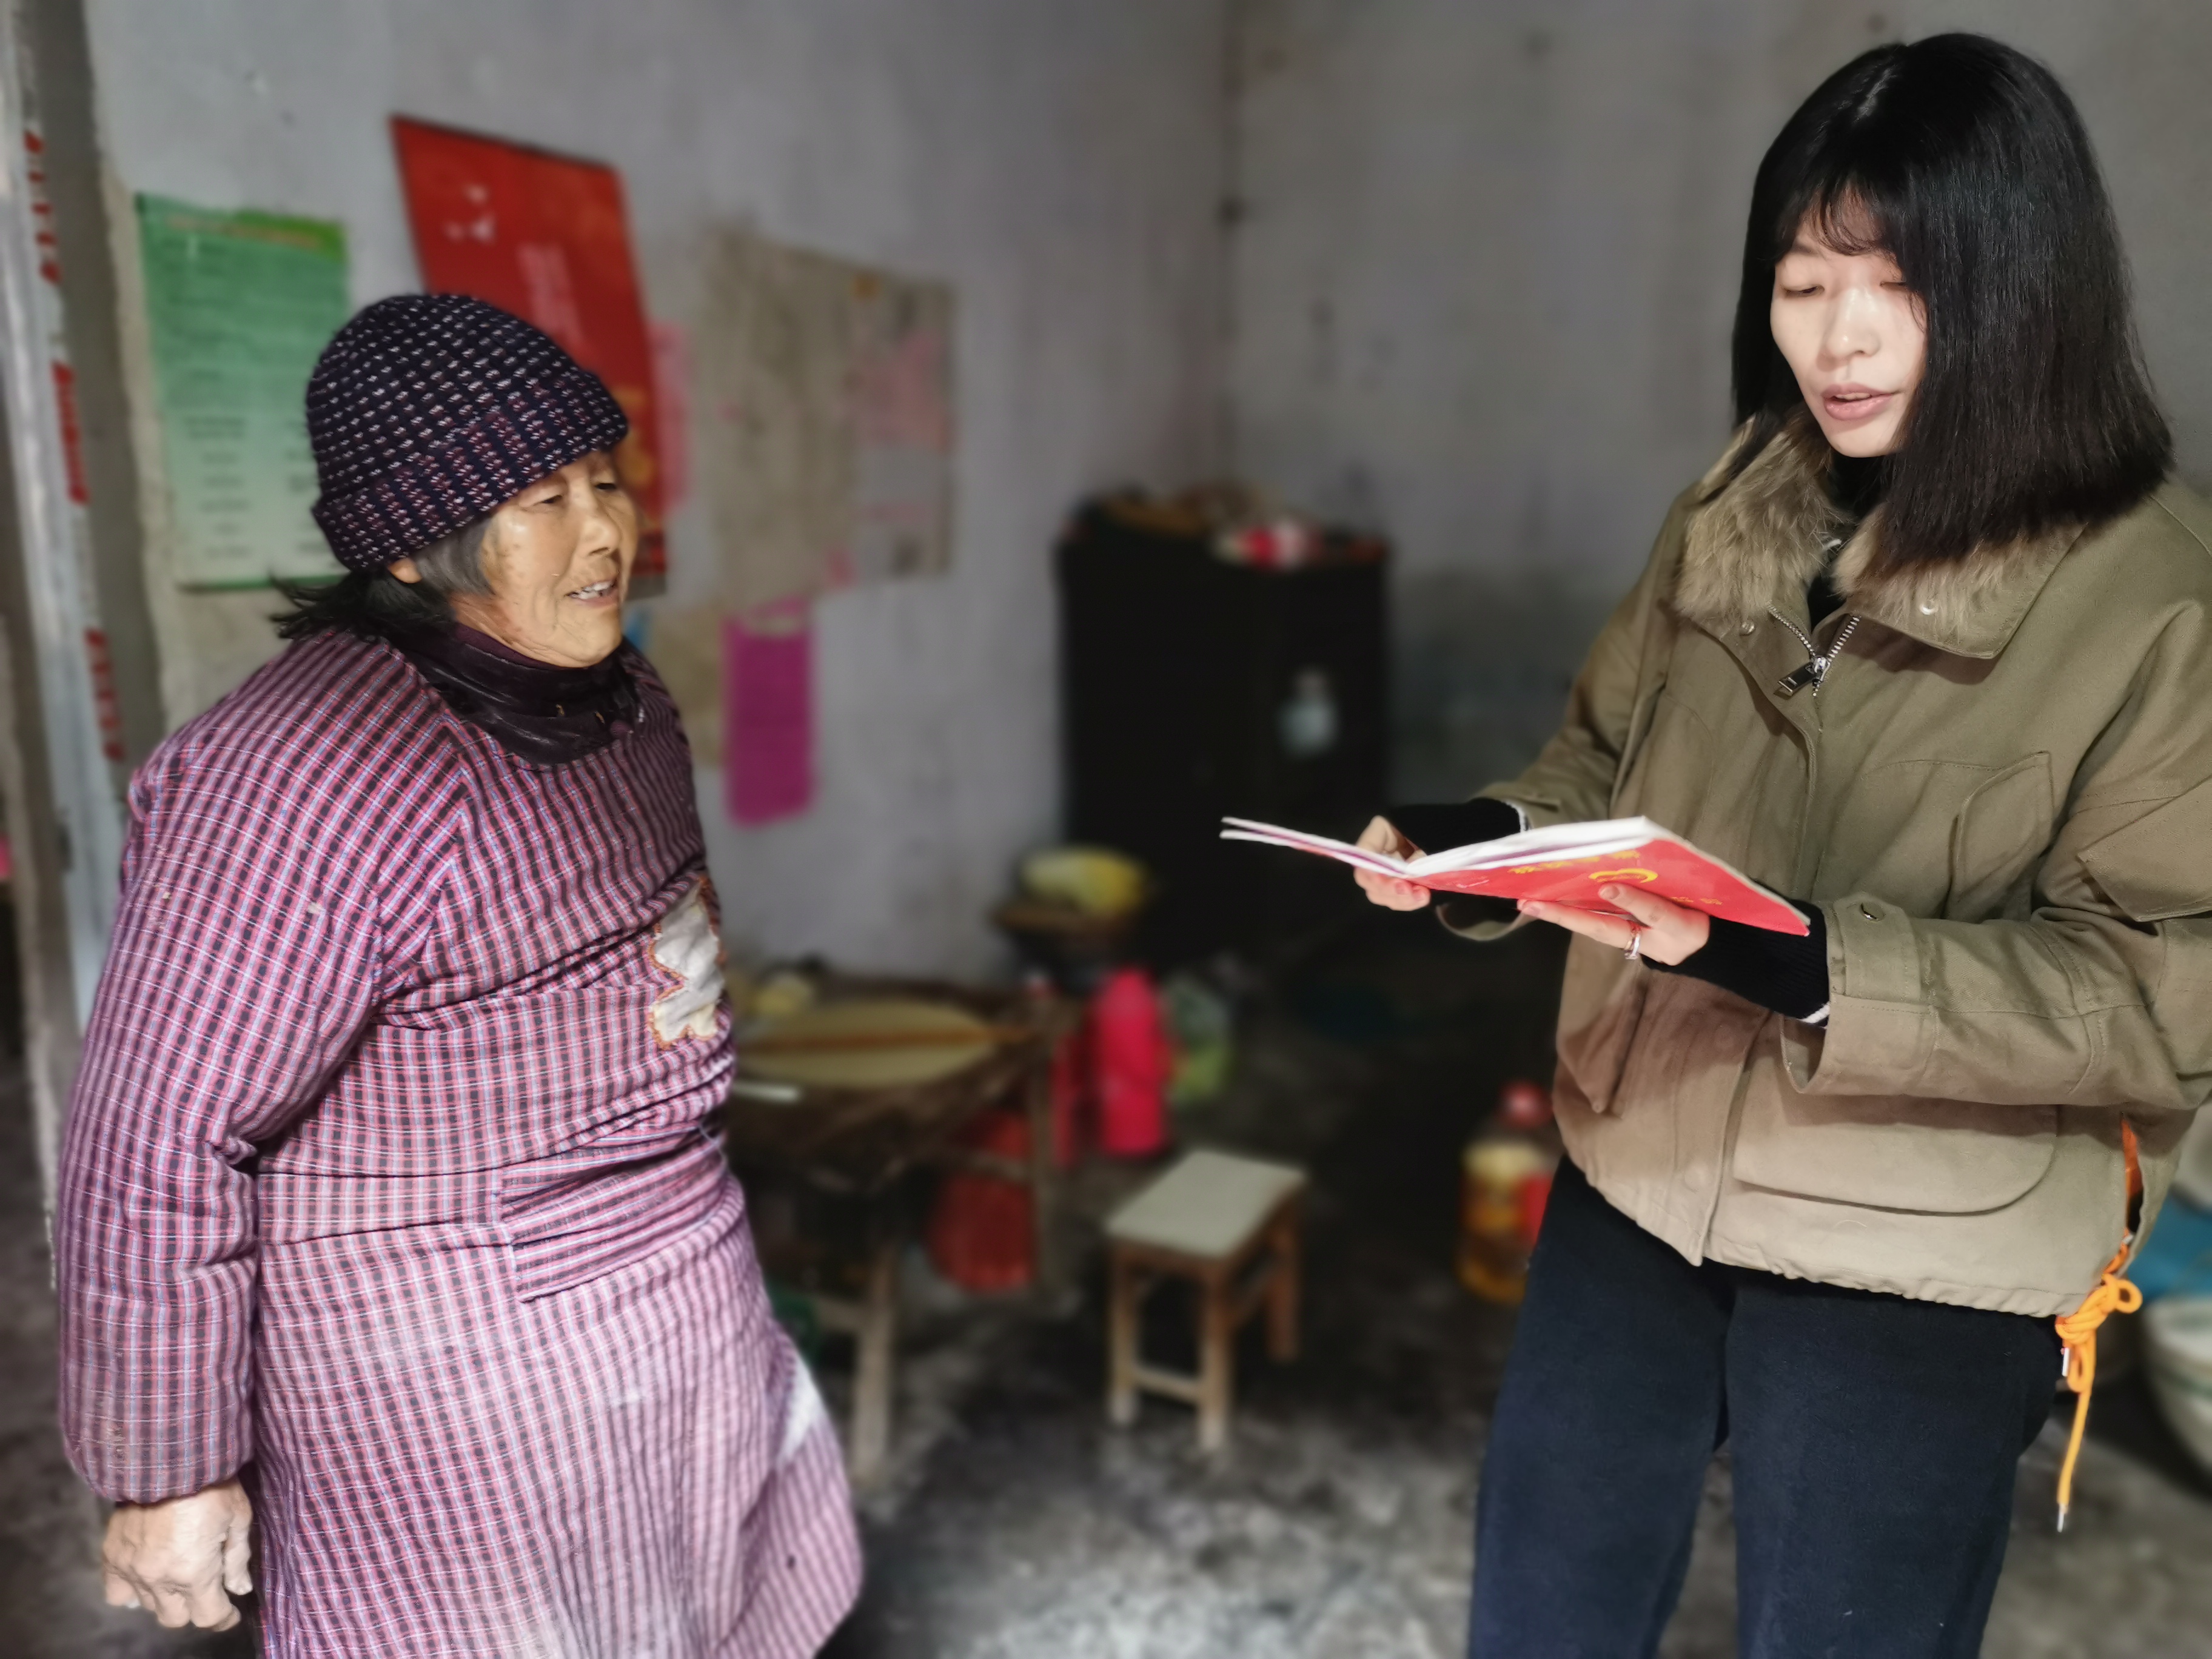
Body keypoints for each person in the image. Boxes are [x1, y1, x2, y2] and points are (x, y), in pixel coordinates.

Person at [1358, 35, 2212, 1658]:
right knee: (1539, 1607)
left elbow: (2161, 995)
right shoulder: (1739, 504)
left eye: (1898, 285)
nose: (1838, 339)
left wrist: (1803, 961)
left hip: (1927, 1244)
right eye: (1803, 283)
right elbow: (1603, 759)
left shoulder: (2164, 600)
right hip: (1643, 1158)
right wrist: (1482, 842)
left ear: (2027, 293)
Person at [55, 293, 861, 1656]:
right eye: (542, 502)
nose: (602, 533)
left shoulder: (620, 700)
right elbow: (157, 1140)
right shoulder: (297, 775)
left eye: (605, 482)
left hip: (681, 1315)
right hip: (459, 1397)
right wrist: (169, 1469)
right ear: (413, 550)